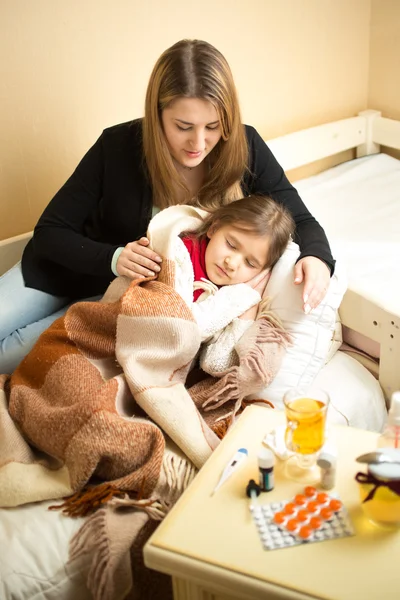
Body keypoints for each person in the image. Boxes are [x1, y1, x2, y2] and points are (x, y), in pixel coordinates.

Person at [0, 38, 334, 374]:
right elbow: (49, 232)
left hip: (111, 301)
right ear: (156, 115)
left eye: (213, 127)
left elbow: (300, 219)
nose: (198, 143)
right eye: (183, 127)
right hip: (59, 268)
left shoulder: (246, 148)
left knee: (8, 357)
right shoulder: (117, 146)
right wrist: (114, 258)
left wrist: (317, 256)